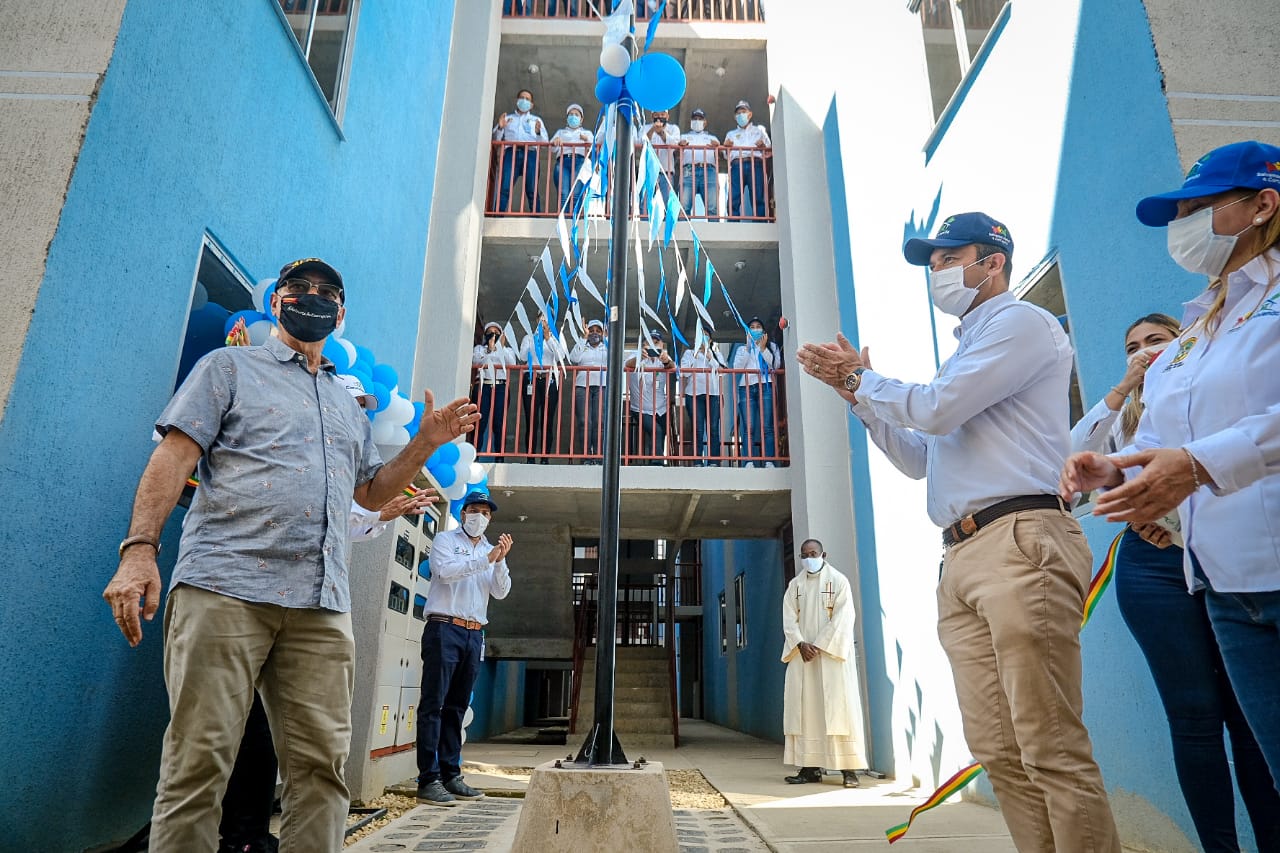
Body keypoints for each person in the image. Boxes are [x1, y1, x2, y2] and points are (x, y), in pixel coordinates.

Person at [102, 258, 479, 852]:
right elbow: (173, 459)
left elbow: (372, 491)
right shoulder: (228, 367)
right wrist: (139, 551)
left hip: (320, 606)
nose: (313, 298)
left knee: (321, 771)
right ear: (276, 303)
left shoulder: (345, 405)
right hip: (225, 589)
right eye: (299, 289)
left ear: (342, 312)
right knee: (197, 765)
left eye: (327, 291)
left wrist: (426, 442)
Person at [797, 213, 1121, 852]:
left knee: (1049, 743)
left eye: (949, 257)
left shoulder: (1021, 324)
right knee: (999, 751)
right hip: (964, 554)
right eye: (933, 261)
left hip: (1020, 538)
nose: (937, 271)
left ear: (992, 261)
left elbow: (936, 407)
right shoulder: (968, 350)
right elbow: (921, 456)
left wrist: (859, 379)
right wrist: (858, 398)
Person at [1061, 140, 1280, 803]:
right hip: (1226, 588)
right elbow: (1158, 436)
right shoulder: (1196, 328)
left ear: (1263, 204)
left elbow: (1204, 449)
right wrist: (1112, 469)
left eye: (1197, 208)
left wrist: (1198, 463)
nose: (1180, 227)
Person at [1070, 312, 1280, 852]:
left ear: (1184, 345)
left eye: (1157, 341)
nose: (1143, 352)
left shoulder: (1207, 393)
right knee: (1192, 718)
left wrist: (1182, 527)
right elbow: (1073, 456)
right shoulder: (1131, 416)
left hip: (1219, 558)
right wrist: (1123, 389)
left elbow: (1232, 465)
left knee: (1250, 717)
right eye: (1132, 345)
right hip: (1151, 571)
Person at [416, 490, 514, 807]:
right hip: (444, 627)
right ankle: (428, 779)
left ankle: (450, 775)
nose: (479, 517)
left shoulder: (490, 551)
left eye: (485, 513)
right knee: (434, 704)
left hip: (474, 634)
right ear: (463, 513)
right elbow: (445, 572)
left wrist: (498, 562)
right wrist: (485, 559)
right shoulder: (446, 541)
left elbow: (500, 592)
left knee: (456, 708)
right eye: (474, 510)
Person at [781, 539, 866, 789]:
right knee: (806, 711)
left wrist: (818, 645)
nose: (809, 558)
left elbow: (843, 617)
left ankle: (849, 770)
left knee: (839, 708)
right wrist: (800, 644)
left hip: (830, 658)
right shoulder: (794, 586)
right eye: (805, 554)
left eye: (813, 553)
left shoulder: (839, 581)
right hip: (804, 657)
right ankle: (809, 768)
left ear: (823, 554)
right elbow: (788, 618)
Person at [732, 317, 780, 467]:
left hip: (765, 386)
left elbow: (775, 365)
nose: (755, 329)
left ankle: (769, 461)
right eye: (752, 327)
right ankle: (748, 461)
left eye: (758, 326)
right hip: (746, 387)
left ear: (763, 330)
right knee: (748, 427)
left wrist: (763, 348)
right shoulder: (742, 349)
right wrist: (748, 347)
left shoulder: (771, 346)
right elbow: (737, 368)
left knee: (767, 426)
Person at [518, 314, 566, 460]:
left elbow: (560, 357)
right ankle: (530, 457)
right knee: (531, 420)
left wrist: (548, 338)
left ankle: (545, 457)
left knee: (548, 420)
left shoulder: (557, 337)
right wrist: (537, 339)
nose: (543, 321)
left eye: (546, 319)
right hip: (531, 379)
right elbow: (522, 357)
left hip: (549, 380)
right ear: (536, 320)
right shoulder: (529, 337)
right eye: (541, 318)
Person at [492, 89, 548, 214]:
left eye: (527, 99)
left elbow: (545, 143)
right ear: (517, 101)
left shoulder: (536, 120)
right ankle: (498, 215)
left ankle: (536, 219)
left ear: (532, 105)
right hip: (511, 152)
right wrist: (501, 127)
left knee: (532, 189)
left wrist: (538, 132)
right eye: (522, 98)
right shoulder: (508, 118)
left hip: (531, 153)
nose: (524, 101)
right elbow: (495, 139)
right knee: (505, 186)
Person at [625, 331, 674, 463]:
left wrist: (666, 361)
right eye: (649, 342)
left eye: (656, 342)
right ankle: (656, 463)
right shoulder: (635, 356)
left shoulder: (663, 358)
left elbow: (673, 367)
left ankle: (655, 459)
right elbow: (626, 364)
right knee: (656, 431)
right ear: (643, 345)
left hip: (661, 408)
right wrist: (640, 357)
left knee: (661, 433)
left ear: (662, 344)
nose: (653, 345)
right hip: (641, 409)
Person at [472, 322, 519, 459]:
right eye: (490, 332)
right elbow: (476, 361)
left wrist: (501, 348)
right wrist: (489, 350)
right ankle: (476, 455)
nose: (493, 334)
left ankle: (499, 456)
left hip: (500, 387)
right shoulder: (479, 349)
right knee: (480, 421)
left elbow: (512, 363)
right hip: (483, 386)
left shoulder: (507, 350)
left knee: (499, 422)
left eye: (496, 332)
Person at [680, 332, 725, 464]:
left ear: (710, 340)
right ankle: (697, 461)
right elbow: (683, 372)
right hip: (694, 395)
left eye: (705, 335)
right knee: (698, 428)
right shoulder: (689, 353)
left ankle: (714, 461)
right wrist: (695, 355)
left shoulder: (716, 353)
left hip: (714, 394)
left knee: (714, 428)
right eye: (699, 335)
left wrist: (710, 356)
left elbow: (723, 371)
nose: (702, 337)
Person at [724, 100, 770, 220]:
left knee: (758, 194)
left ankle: (760, 222)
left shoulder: (759, 130)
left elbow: (768, 149)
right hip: (737, 165)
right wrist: (726, 148)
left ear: (750, 114)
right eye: (738, 113)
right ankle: (733, 221)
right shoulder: (731, 134)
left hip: (756, 164)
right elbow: (725, 155)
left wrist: (762, 146)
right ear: (735, 117)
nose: (741, 115)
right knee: (734, 195)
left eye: (743, 112)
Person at [569, 318, 608, 459]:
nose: (594, 333)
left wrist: (607, 340)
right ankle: (586, 456)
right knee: (584, 421)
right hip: (582, 386)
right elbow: (574, 358)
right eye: (591, 330)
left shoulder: (607, 347)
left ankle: (598, 456)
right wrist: (583, 338)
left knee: (600, 421)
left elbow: (617, 359)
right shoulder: (582, 345)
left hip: (601, 386)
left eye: (598, 331)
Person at [550, 103, 594, 216]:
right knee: (564, 193)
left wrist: (587, 140)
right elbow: (552, 149)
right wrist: (555, 142)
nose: (573, 117)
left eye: (576, 115)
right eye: (571, 114)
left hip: (579, 162)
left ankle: (573, 220)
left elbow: (595, 148)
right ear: (567, 117)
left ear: (581, 119)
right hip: (563, 161)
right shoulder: (560, 132)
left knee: (575, 193)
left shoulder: (587, 133)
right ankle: (562, 221)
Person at [678, 107, 720, 221]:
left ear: (705, 122)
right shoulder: (683, 137)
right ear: (691, 121)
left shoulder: (712, 138)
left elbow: (721, 155)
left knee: (712, 206)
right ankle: (683, 233)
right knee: (684, 206)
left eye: (700, 119)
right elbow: (676, 153)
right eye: (695, 118)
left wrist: (718, 147)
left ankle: (714, 233)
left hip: (709, 170)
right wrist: (679, 145)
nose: (697, 121)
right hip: (689, 170)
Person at [639, 109, 681, 206]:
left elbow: (674, 144)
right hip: (648, 173)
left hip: (666, 173)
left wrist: (661, 132)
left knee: (666, 203)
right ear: (652, 116)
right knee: (645, 204)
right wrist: (653, 130)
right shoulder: (645, 128)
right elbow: (641, 142)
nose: (660, 117)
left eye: (662, 114)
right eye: (657, 115)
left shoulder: (674, 128)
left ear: (667, 116)